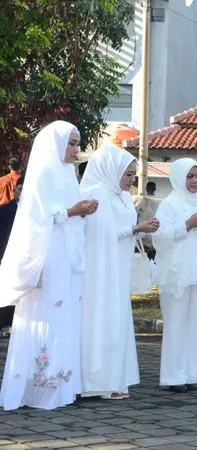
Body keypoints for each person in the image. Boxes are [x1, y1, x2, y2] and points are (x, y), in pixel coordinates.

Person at [0, 121, 99, 411]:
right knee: (46, 314)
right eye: (71, 143)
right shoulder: (42, 173)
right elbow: (35, 217)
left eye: (78, 144)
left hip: (66, 254)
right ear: (54, 143)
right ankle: (39, 387)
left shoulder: (69, 174)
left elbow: (69, 211)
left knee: (65, 316)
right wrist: (73, 210)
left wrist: (83, 209)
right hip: (49, 254)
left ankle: (61, 385)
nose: (76, 150)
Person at [79, 144, 160, 400]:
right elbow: (100, 236)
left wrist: (141, 225)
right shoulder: (94, 194)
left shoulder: (123, 197)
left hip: (120, 268)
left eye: (134, 174)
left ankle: (115, 378)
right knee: (101, 319)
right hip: (99, 270)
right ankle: (96, 382)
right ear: (110, 170)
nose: (132, 179)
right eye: (128, 174)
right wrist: (136, 229)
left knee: (118, 320)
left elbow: (123, 228)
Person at [152, 158, 197, 393]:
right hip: (176, 275)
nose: (194, 181)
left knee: (195, 325)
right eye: (190, 176)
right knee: (175, 324)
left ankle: (191, 374)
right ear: (179, 176)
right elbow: (159, 238)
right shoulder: (169, 204)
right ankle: (173, 376)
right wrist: (188, 224)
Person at [0, 176, 24, 336]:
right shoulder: (5, 210)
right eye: (19, 189)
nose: (21, 193)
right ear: (14, 191)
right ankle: (5, 324)